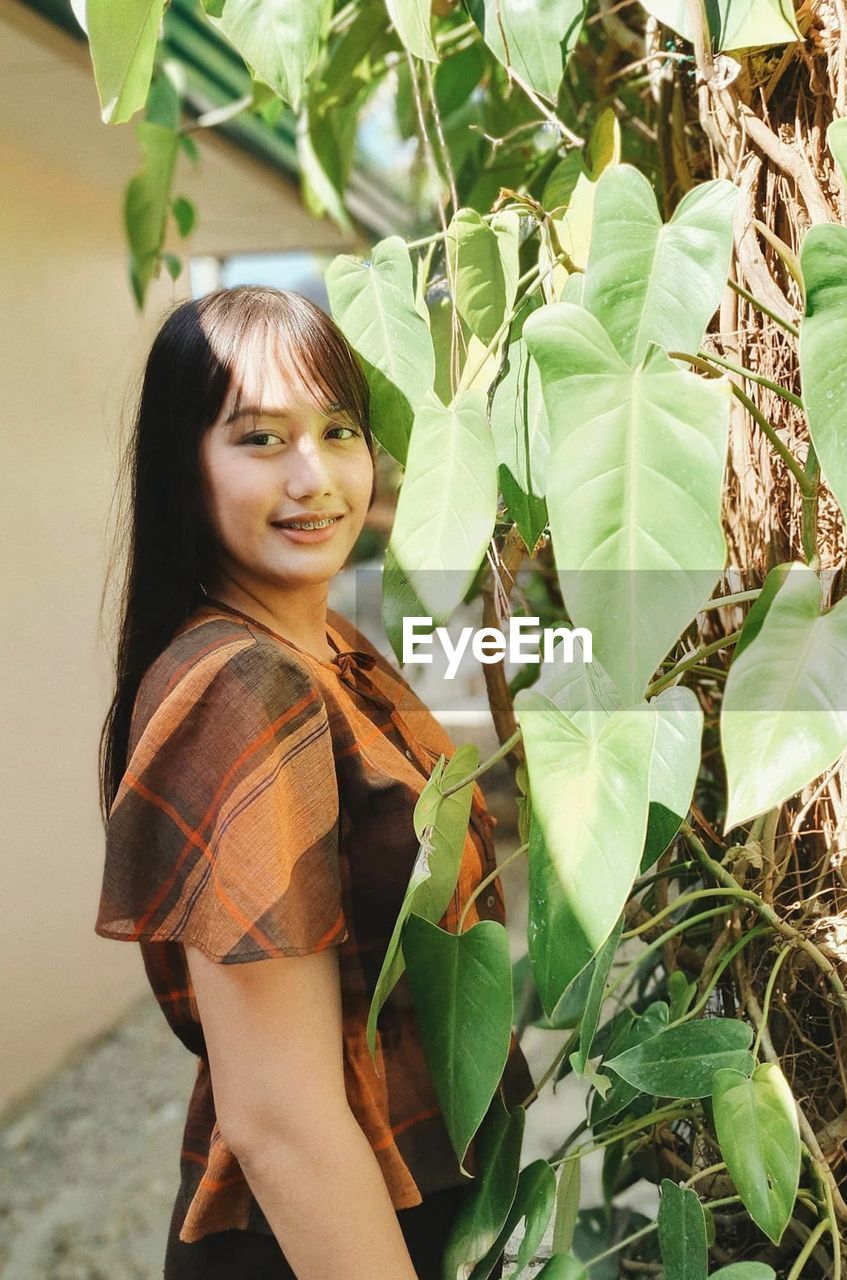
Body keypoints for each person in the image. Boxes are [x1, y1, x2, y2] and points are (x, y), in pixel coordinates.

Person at [93, 284, 534, 1279]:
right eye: (259, 438)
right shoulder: (244, 689)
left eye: (338, 430)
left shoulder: (322, 643)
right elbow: (280, 1120)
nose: (316, 474)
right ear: (182, 468)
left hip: (402, 1196)